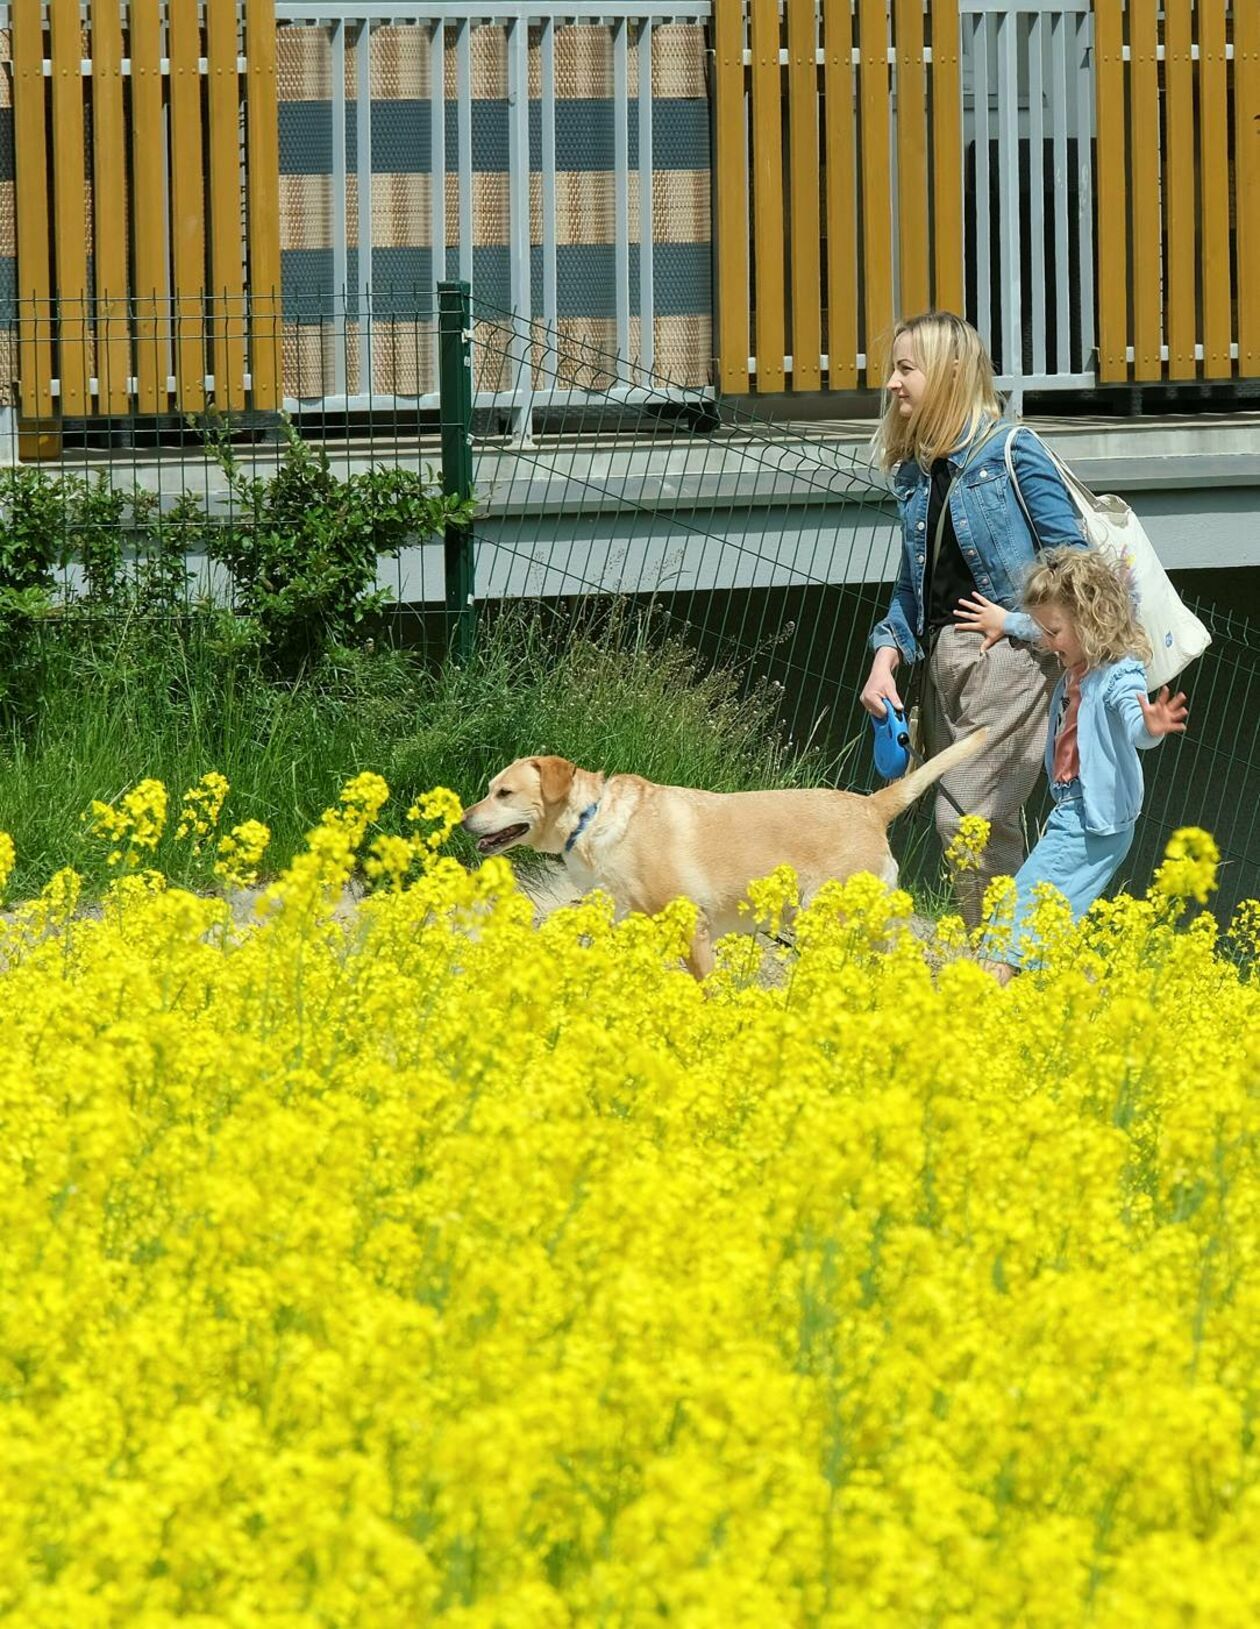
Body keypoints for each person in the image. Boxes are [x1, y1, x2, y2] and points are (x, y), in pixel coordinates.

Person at [859, 311, 1087, 925]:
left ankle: (997, 965)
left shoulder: (1014, 451)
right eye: (893, 370)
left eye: (907, 369)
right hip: (944, 663)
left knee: (969, 822)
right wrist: (885, 663)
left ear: (952, 371)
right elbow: (914, 589)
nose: (893, 384)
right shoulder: (917, 473)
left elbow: (1079, 571)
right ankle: (1008, 958)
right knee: (965, 824)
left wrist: (1016, 625)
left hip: (1011, 660)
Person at [955, 547, 1188, 981]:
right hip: (1076, 810)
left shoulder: (1120, 672)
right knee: (1047, 919)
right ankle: (1075, 997)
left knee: (1018, 912)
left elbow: (1135, 723)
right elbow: (1039, 623)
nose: (1045, 640)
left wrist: (1151, 726)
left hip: (1091, 818)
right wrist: (1003, 621)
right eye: (1042, 629)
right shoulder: (1072, 646)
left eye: (1054, 632)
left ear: (1091, 620)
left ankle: (980, 1001)